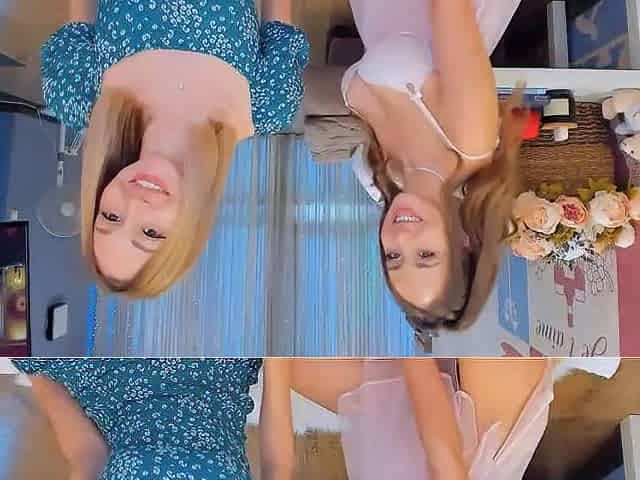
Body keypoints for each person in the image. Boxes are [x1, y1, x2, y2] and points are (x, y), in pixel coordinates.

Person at [50, 0, 309, 297]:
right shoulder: (269, 104)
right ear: (186, 234)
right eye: (150, 232)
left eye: (110, 217)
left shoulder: (77, 95)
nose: (134, 204)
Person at [341, 0, 528, 336]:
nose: (402, 238)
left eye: (393, 256)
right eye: (426, 254)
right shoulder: (470, 140)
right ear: (463, 241)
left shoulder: (386, 173)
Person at [10, 358, 295, 480]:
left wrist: (35, 367)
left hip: (115, 383)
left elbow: (87, 456)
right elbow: (278, 466)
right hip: (215, 376)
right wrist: (276, 354)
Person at [290, 358, 552, 480]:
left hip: (411, 448)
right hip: (485, 437)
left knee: (289, 368)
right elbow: (445, 458)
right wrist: (410, 340)